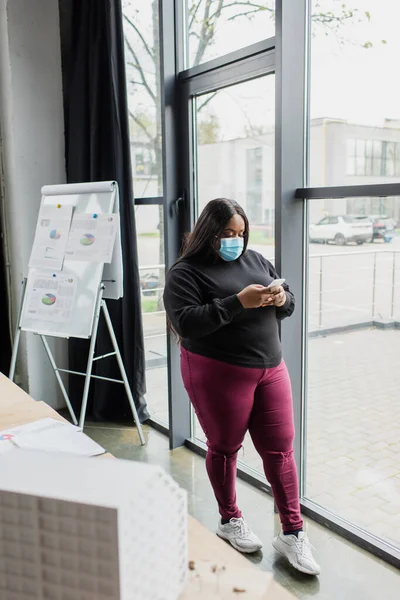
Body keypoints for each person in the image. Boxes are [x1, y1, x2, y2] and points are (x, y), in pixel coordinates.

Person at [163, 198, 320, 576]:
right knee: (225, 447)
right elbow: (186, 323)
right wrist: (237, 303)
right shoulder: (186, 272)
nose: (236, 239)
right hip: (218, 371)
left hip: (270, 368)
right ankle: (229, 518)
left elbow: (288, 304)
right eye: (227, 234)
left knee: (281, 451)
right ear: (209, 233)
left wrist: (282, 298)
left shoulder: (256, 261)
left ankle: (292, 531)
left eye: (241, 233)